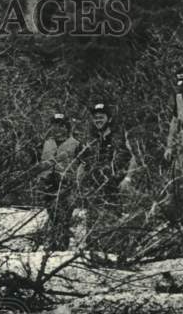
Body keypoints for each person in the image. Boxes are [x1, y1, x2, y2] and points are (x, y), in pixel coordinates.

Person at [36, 111, 81, 247]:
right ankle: (53, 243)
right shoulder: (45, 143)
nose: (58, 129)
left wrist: (74, 181)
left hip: (66, 184)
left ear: (67, 127)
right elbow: (38, 162)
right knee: (52, 215)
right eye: (55, 125)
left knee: (64, 216)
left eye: (61, 126)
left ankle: (62, 245)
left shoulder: (76, 144)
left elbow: (81, 165)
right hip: (48, 184)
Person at [76, 102, 136, 201]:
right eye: (95, 118)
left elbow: (134, 157)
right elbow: (83, 164)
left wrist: (128, 179)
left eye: (101, 117)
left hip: (117, 188)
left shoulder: (120, 136)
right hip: (96, 190)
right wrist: (79, 184)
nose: (98, 120)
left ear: (109, 119)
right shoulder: (92, 140)